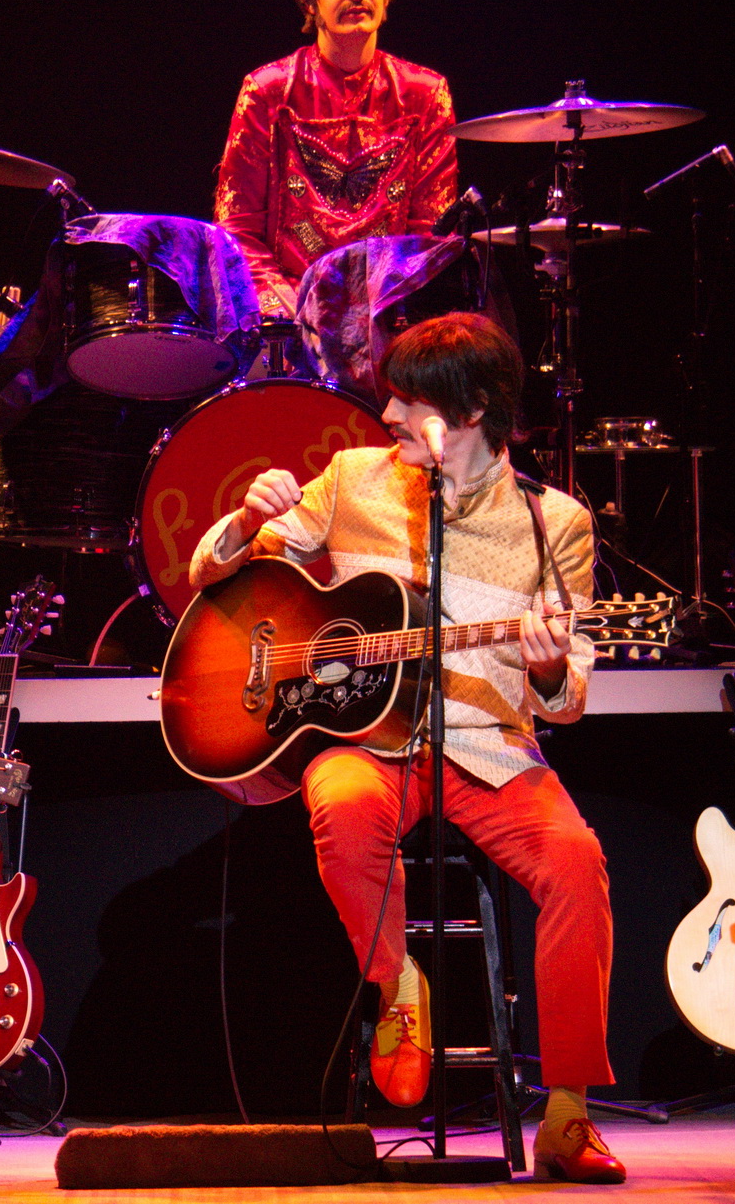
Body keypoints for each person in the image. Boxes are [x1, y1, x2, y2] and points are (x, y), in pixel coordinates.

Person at [189, 313, 625, 1184]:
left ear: (471, 411)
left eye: (407, 399)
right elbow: (213, 573)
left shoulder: (555, 523)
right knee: (342, 807)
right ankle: (398, 985)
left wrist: (547, 669)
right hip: (369, 739)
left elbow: (570, 695)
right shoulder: (354, 479)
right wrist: (242, 520)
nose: (385, 413)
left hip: (488, 744)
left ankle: (568, 1111)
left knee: (577, 863)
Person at [214, 0, 457, 325]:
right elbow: (235, 231)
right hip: (289, 319)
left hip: (388, 316)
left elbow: (430, 235)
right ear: (310, 1)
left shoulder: (426, 93)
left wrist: (375, 314)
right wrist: (292, 312)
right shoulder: (268, 90)